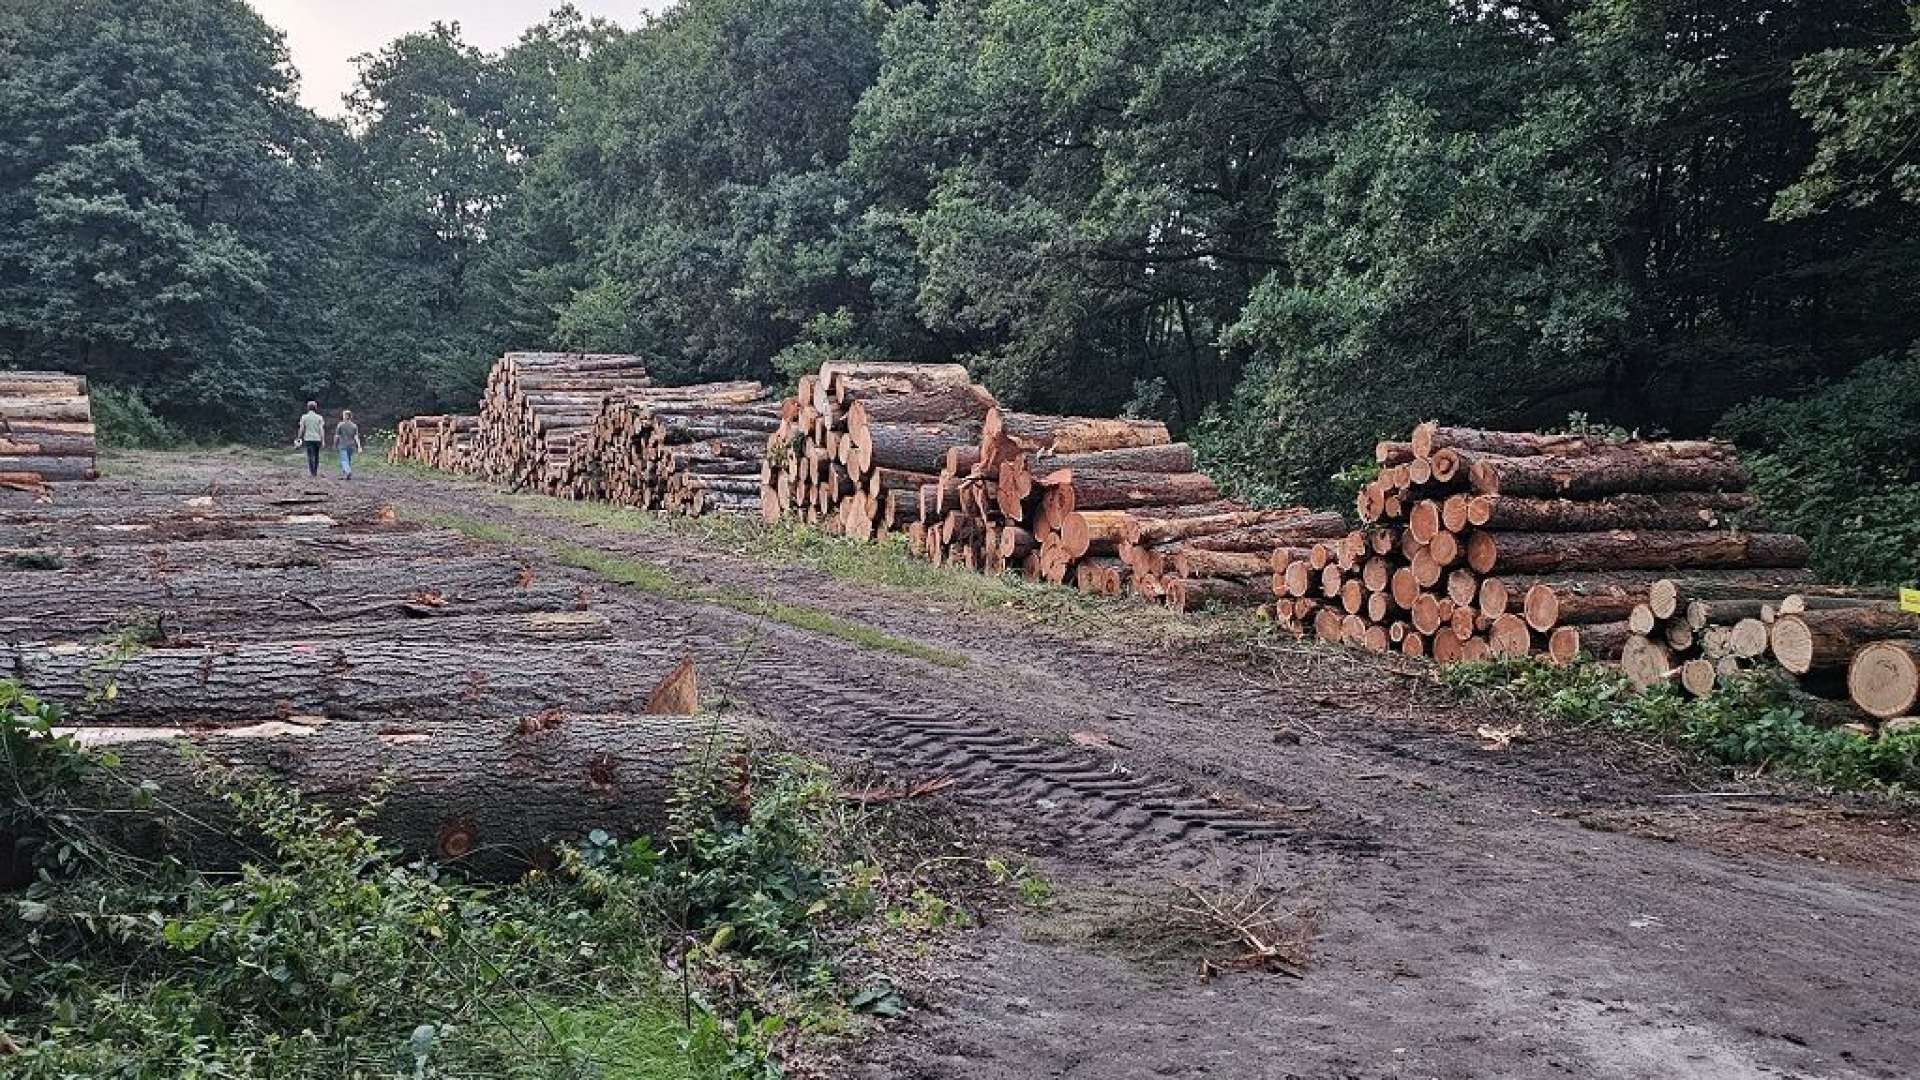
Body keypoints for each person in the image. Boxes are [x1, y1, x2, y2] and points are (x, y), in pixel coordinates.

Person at [294, 401, 325, 477]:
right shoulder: (319, 417)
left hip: (308, 438)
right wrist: (323, 439)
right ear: (316, 408)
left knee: (310, 456)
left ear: (308, 408)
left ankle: (312, 472)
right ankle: (316, 471)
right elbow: (321, 429)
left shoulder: (304, 417)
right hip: (317, 439)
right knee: (316, 455)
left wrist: (298, 437)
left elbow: (301, 428)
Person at [333, 409, 363, 479]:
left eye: (343, 415)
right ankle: (346, 475)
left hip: (343, 445)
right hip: (351, 445)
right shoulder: (354, 425)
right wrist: (359, 446)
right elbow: (356, 437)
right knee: (348, 460)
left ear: (345, 416)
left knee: (344, 460)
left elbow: (337, 436)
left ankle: (348, 471)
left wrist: (335, 444)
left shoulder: (340, 425)